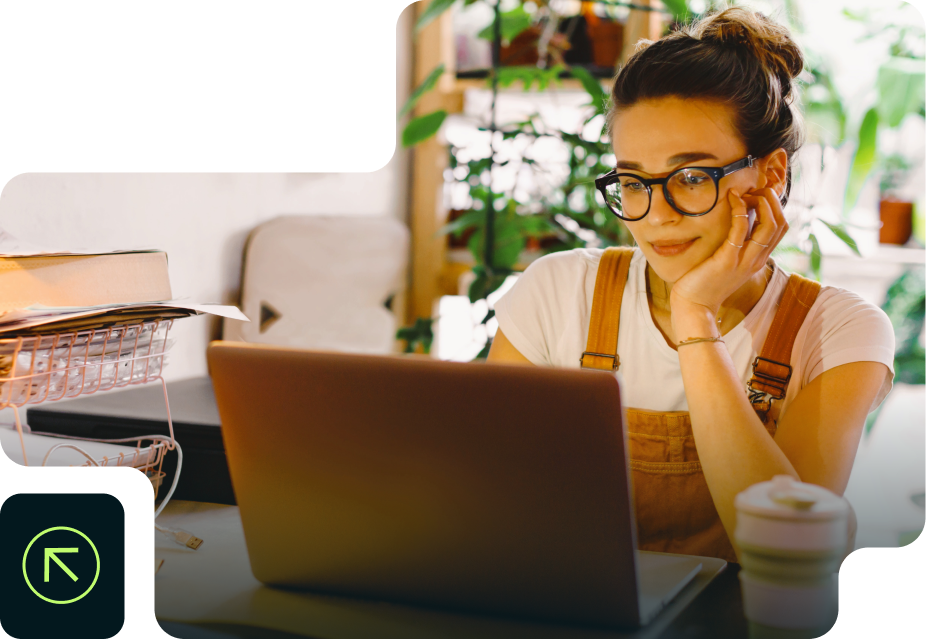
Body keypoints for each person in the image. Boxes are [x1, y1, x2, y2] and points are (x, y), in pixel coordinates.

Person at [487, 6, 895, 565]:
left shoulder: (839, 332)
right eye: (633, 181)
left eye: (691, 178)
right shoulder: (558, 290)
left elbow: (791, 550)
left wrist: (695, 318)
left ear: (770, 175)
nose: (655, 215)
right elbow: (485, 500)